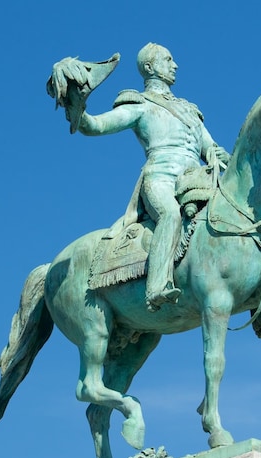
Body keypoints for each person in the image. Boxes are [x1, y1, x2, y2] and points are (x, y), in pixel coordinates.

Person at [69, 43, 230, 312]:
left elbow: (212, 150)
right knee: (171, 216)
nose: (175, 65)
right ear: (150, 67)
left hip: (196, 180)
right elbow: (96, 126)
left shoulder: (190, 111)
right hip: (161, 179)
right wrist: (77, 109)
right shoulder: (140, 105)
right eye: (168, 60)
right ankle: (156, 285)